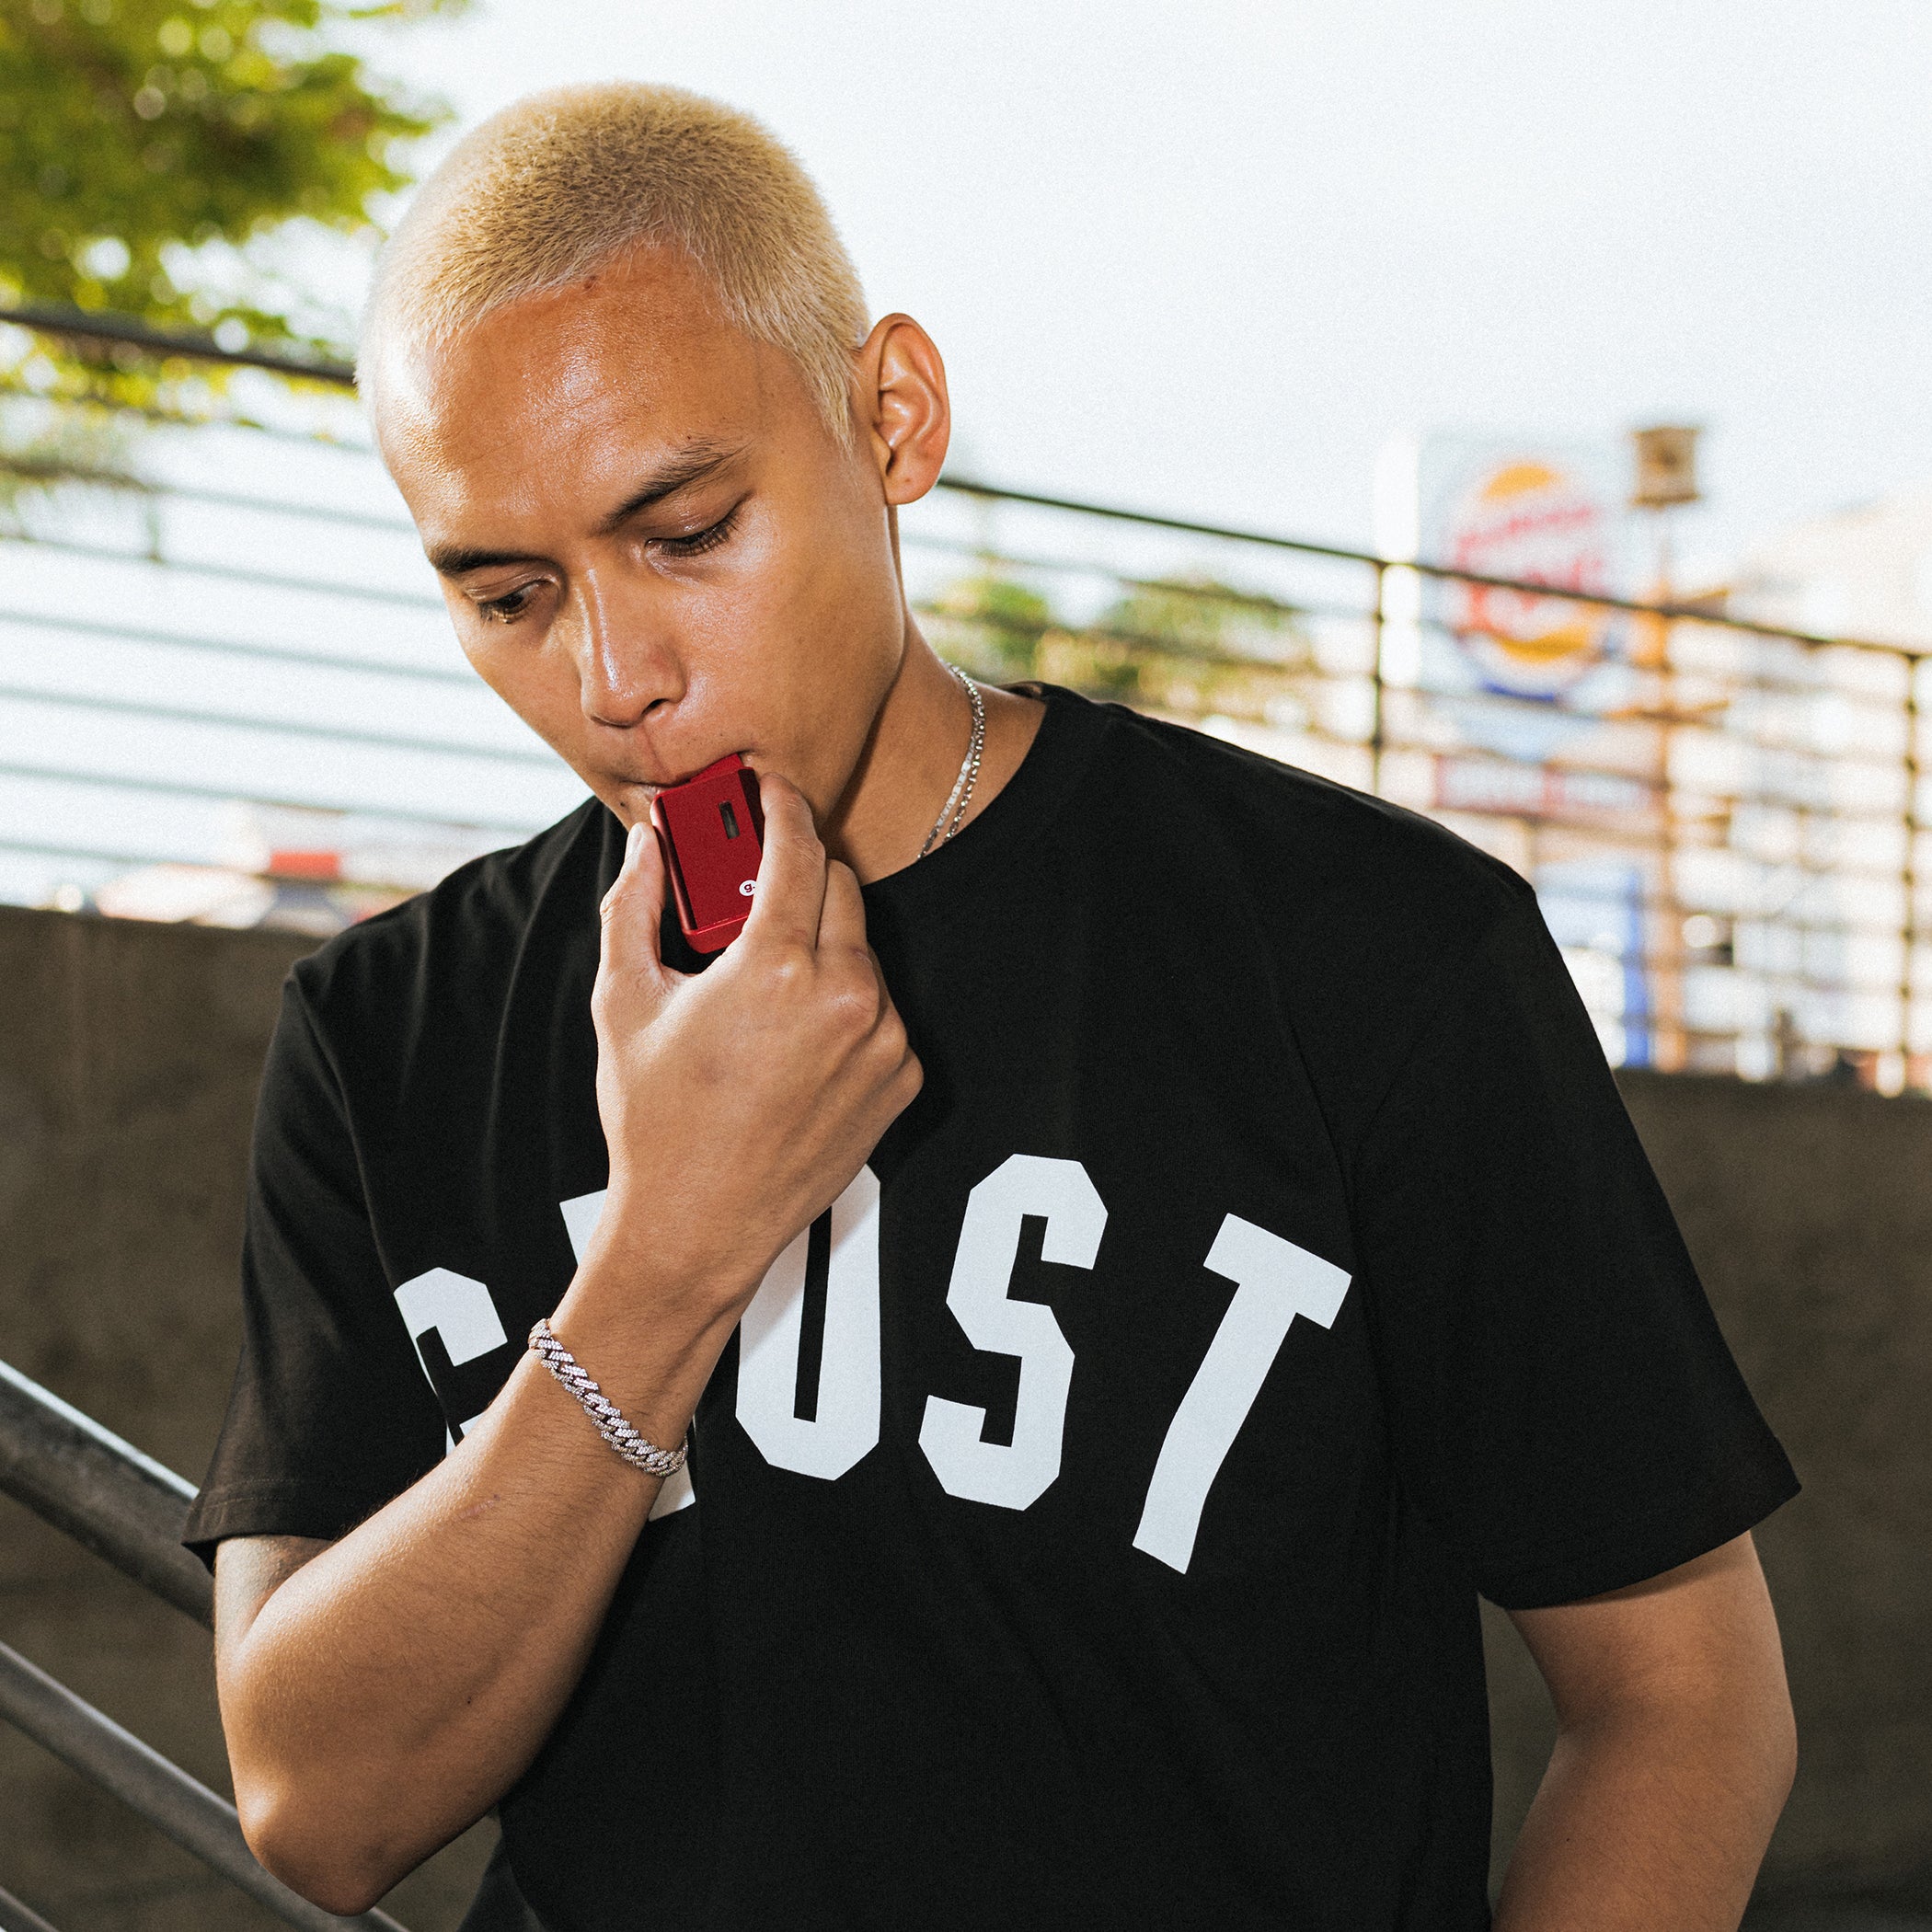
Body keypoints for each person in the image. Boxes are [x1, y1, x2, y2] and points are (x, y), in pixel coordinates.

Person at [185, 82, 1800, 1932]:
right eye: (509, 594)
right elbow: (318, 1807)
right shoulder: (391, 1032)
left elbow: (1688, 1701)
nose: (617, 676)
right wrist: (666, 1259)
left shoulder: (1366, 953)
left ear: (891, 417)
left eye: (688, 531)